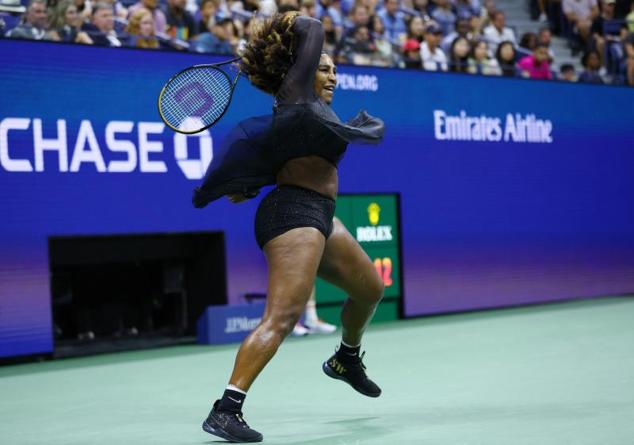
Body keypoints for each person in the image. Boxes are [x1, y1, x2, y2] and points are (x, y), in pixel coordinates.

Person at [193, 12, 385, 442]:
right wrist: (289, 20)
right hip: (292, 214)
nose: (333, 75)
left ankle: (346, 360)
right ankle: (226, 409)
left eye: (336, 70)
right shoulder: (295, 96)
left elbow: (285, 156)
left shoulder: (312, 112)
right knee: (280, 319)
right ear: (301, 72)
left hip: (319, 214)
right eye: (323, 67)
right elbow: (312, 28)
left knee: (370, 289)